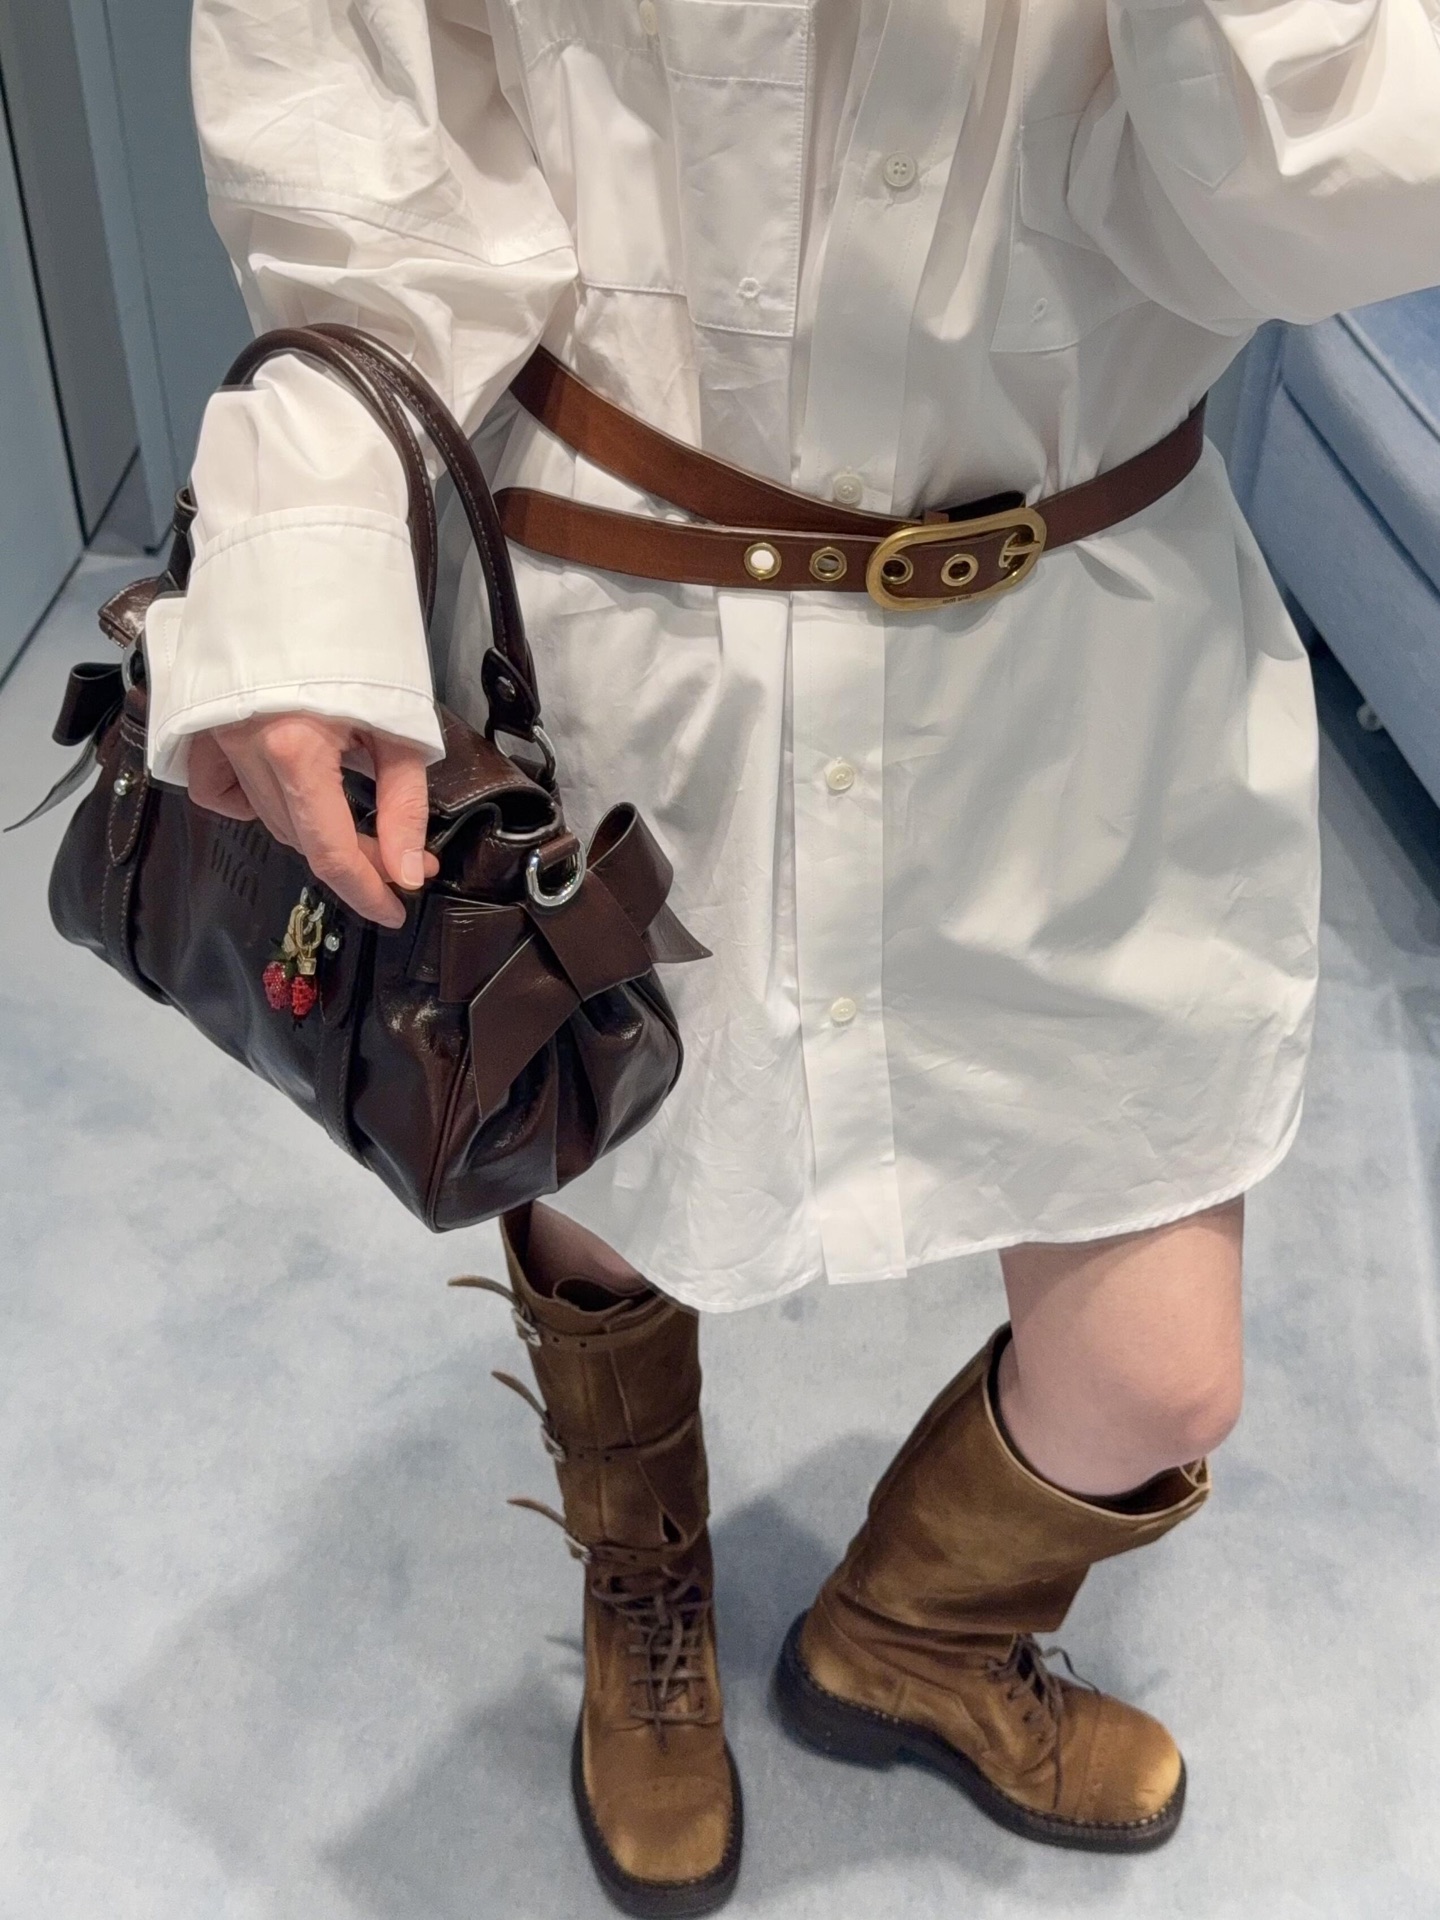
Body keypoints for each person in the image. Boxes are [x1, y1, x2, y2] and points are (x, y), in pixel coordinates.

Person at [157, 2, 1440, 1911]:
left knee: (1157, 1376)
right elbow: (354, 99)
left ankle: (911, 1635)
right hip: (628, 615)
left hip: (1080, 650)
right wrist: (308, 541)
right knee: (615, 1167)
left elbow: (1336, 199)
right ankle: (641, 1584)